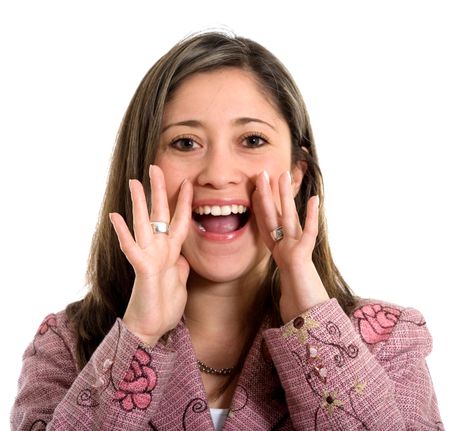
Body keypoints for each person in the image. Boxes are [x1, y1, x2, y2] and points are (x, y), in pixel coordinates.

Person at [11, 31, 444, 431]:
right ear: (143, 170)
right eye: (185, 143)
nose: (218, 174)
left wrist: (312, 318)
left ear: (296, 173)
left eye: (252, 140)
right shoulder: (66, 345)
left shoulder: (388, 339)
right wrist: (138, 334)